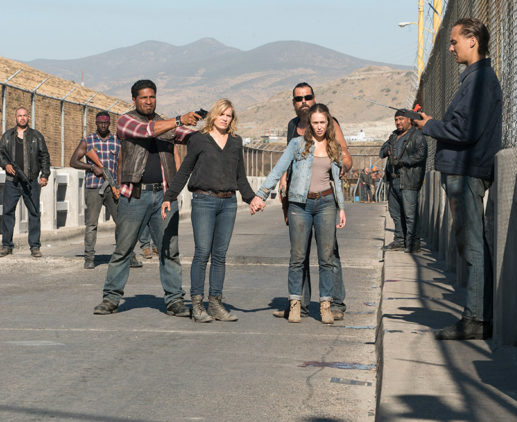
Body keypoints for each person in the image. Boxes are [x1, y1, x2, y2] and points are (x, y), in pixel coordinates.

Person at [413, 18, 502, 340]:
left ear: (472, 41)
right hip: (462, 171)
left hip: (466, 173)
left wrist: (431, 126)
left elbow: (464, 130)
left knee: (473, 247)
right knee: (469, 245)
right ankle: (476, 316)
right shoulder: (474, 80)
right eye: (449, 43)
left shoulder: (480, 82)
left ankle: (477, 320)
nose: (450, 48)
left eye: (454, 42)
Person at [93, 79, 202, 316]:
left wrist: (209, 126)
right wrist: (178, 120)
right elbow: (146, 131)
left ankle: (175, 300)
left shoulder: (164, 122)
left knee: (169, 250)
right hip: (135, 196)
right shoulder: (126, 121)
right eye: (143, 97)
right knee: (123, 249)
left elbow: (188, 135)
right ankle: (111, 298)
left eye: (152, 97)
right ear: (134, 99)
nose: (148, 101)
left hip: (163, 196)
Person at [161, 99, 255, 323]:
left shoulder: (235, 142)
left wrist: (251, 198)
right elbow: (185, 170)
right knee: (202, 253)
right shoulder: (199, 140)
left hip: (228, 203)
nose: (225, 118)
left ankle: (215, 304)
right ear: (213, 115)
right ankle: (197, 305)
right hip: (204, 201)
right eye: (221, 114)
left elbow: (240, 175)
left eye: (229, 115)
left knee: (220, 256)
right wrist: (169, 196)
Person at [252, 103, 347, 324]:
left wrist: (341, 207)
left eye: (323, 122)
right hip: (299, 205)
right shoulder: (297, 145)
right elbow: (278, 170)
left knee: (326, 258)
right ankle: (295, 304)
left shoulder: (333, 146)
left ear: (328, 123)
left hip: (326, 203)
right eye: (315, 123)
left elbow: (337, 181)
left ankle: (325, 305)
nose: (320, 127)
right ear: (309, 125)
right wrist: (261, 195)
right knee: (297, 257)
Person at [273, 82, 352, 320]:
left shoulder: (329, 122)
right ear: (294, 103)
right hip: (298, 199)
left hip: (324, 198)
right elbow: (291, 159)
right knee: (300, 252)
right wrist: (283, 181)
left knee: (329, 253)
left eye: (307, 97)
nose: (304, 102)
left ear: (314, 98)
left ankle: (336, 303)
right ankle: (301, 304)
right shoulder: (293, 127)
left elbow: (344, 154)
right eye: (299, 99)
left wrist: (342, 167)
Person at [69, 111, 143, 269]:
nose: (103, 126)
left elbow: (120, 165)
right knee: (91, 224)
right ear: (96, 123)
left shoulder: (117, 141)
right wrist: (91, 167)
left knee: (122, 223)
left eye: (105, 123)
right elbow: (73, 161)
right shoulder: (88, 140)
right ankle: (89, 257)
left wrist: (119, 185)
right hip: (93, 187)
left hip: (112, 187)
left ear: (110, 123)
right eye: (100, 123)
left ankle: (129, 256)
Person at [0, 107, 50, 258]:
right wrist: (5, 165)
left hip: (31, 181)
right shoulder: (7, 136)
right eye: (19, 116)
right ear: (15, 118)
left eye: (24, 116)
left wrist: (45, 175)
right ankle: (6, 245)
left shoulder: (36, 136)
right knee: (8, 212)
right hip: (12, 182)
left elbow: (44, 156)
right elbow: (0, 154)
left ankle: (35, 246)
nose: (21, 118)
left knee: (34, 213)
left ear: (28, 117)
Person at [380, 109, 428, 253]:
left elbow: (421, 154)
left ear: (408, 120)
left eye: (401, 119)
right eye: (396, 120)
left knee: (410, 214)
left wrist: (403, 161)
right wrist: (387, 149)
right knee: (395, 212)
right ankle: (400, 240)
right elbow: (382, 151)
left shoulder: (417, 136)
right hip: (393, 180)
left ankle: (413, 243)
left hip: (408, 180)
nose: (398, 122)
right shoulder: (393, 136)